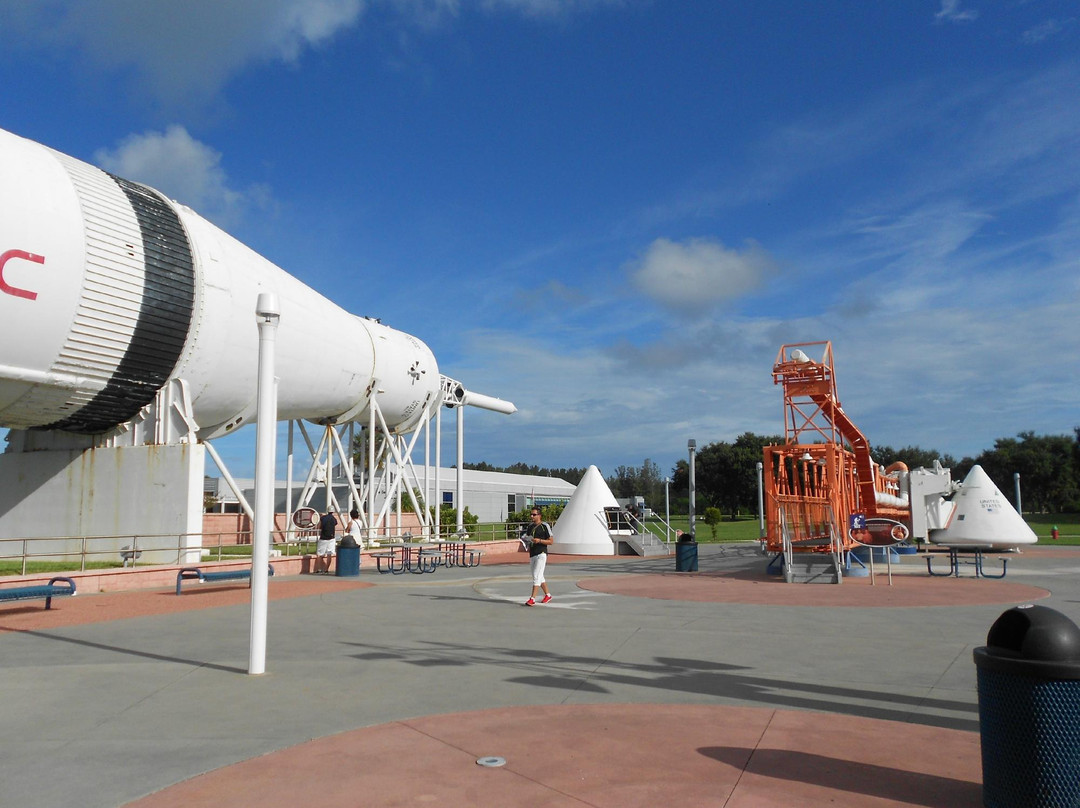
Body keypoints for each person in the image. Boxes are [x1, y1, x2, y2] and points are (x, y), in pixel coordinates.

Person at [523, 508, 554, 606]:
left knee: (536, 576)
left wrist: (539, 541)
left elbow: (551, 541)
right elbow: (527, 538)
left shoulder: (545, 526)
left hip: (541, 553)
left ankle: (532, 598)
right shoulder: (530, 527)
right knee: (538, 576)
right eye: (531, 514)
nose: (532, 516)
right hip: (532, 553)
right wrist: (526, 541)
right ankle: (548, 595)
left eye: (534, 514)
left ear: (539, 515)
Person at [316, 508, 338, 573]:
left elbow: (319, 527)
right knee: (329, 554)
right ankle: (326, 569)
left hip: (323, 538)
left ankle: (319, 569)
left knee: (320, 554)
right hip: (331, 538)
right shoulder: (334, 519)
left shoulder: (323, 518)